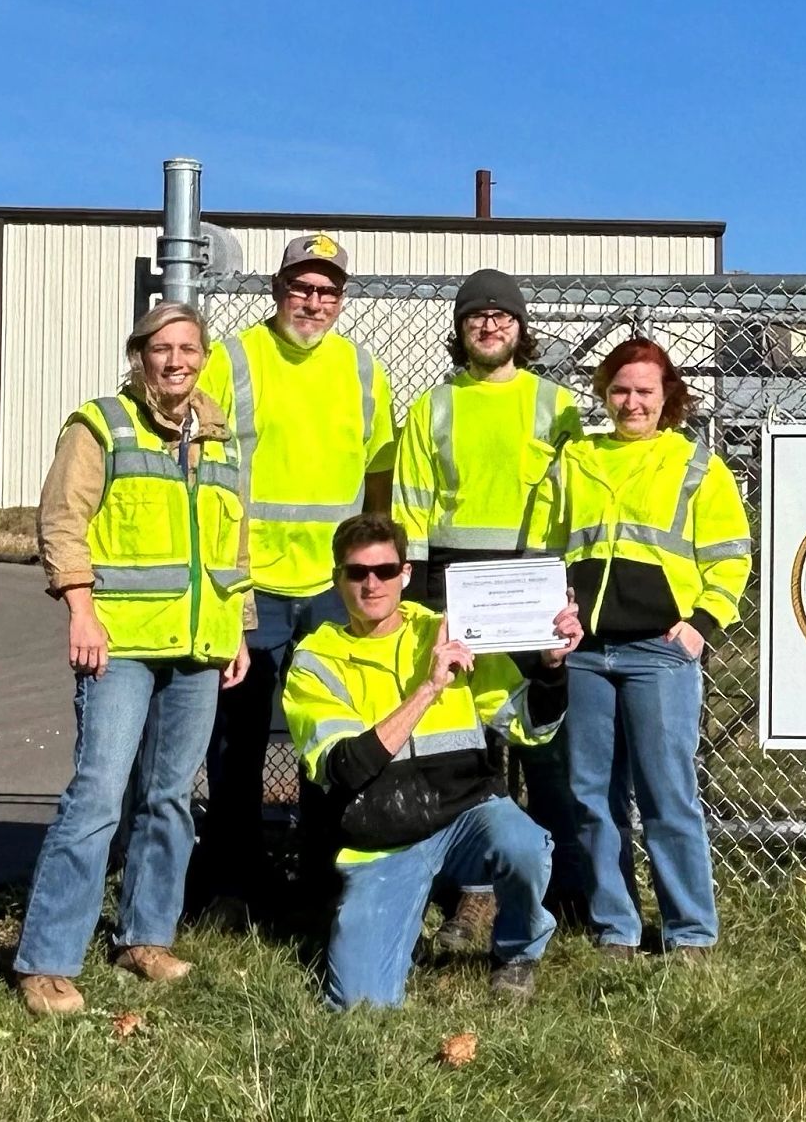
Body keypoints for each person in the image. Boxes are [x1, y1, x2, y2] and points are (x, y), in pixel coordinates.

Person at [14, 302, 253, 1016]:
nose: (175, 360)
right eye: (160, 349)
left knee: (171, 799)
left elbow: (234, 544)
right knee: (96, 796)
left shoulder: (221, 440)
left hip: (197, 648)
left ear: (203, 357)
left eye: (187, 347)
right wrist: (80, 608)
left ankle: (144, 937)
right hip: (117, 644)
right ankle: (47, 960)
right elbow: (62, 520)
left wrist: (237, 626)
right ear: (139, 355)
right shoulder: (102, 426)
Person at [284, 513, 580, 1009]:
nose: (371, 584)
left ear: (405, 573)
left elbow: (528, 725)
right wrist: (429, 689)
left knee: (525, 844)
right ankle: (398, 924)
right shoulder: (316, 660)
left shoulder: (446, 630)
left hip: (467, 816)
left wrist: (553, 667)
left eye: (384, 570)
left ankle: (517, 952)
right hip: (382, 840)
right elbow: (344, 769)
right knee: (360, 1004)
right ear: (338, 579)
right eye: (357, 573)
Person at [192, 233, 398, 926]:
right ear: (276, 290)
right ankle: (232, 886)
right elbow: (201, 468)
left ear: (342, 300)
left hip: (329, 592)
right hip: (251, 589)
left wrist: (365, 576)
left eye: (327, 291)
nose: (313, 302)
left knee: (330, 741)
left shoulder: (364, 371)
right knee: (238, 744)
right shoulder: (233, 359)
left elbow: (378, 482)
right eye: (301, 288)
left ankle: (322, 882)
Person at [533, 336, 751, 957]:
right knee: (593, 796)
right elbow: (544, 551)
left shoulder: (696, 467)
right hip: (585, 654)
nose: (631, 402)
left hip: (659, 652)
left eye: (645, 392)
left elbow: (730, 558)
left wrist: (700, 626)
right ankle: (616, 927)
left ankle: (689, 932)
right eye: (621, 389)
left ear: (668, 398)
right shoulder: (574, 461)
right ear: (605, 393)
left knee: (667, 795)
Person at [392, 269, 583, 953]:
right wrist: (419, 590)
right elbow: (411, 497)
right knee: (468, 737)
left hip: (531, 580)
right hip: (453, 577)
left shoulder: (556, 405)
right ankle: (471, 892)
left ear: (522, 328)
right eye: (477, 315)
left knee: (544, 736)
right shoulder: (432, 407)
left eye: (503, 314)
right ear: (460, 330)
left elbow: (573, 496)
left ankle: (556, 886)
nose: (490, 324)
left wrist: (564, 585)